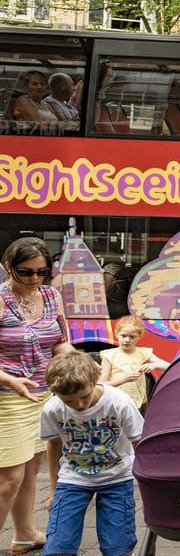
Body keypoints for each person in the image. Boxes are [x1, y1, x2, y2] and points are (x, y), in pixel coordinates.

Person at [0, 237, 72, 556]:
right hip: (7, 397)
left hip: (43, 394)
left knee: (31, 468)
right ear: (7, 267)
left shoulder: (51, 295)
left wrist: (76, 360)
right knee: (8, 479)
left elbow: (60, 342)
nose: (33, 279)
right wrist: (10, 381)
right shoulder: (1, 300)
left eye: (41, 272)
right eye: (24, 272)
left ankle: (25, 535)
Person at [40, 351, 143, 556]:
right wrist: (53, 489)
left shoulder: (119, 402)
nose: (79, 405)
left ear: (94, 380)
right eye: (69, 401)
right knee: (58, 545)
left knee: (118, 546)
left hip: (117, 477)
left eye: (84, 396)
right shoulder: (52, 409)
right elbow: (53, 445)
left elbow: (139, 442)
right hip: (73, 478)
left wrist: (149, 486)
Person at [99, 315, 169, 411]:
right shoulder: (109, 355)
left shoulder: (143, 352)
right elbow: (101, 386)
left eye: (132, 337)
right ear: (116, 334)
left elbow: (169, 366)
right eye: (123, 336)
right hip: (115, 403)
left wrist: (154, 365)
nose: (127, 340)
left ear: (139, 337)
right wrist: (124, 379)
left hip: (138, 404)